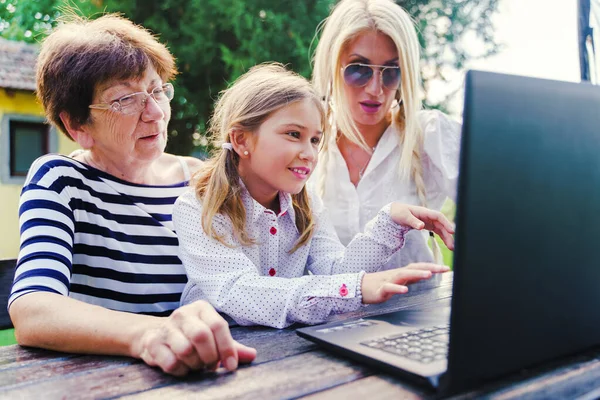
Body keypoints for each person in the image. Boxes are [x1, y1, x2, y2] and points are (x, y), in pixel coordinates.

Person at [7, 14, 256, 376]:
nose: (155, 113)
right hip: (106, 381)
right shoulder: (61, 181)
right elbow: (33, 309)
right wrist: (149, 335)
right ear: (77, 126)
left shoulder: (201, 181)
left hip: (208, 371)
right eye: (125, 99)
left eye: (157, 90)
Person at [174, 63, 454, 330]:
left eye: (315, 140)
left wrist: (390, 222)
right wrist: (355, 289)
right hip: (217, 354)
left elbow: (334, 271)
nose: (309, 153)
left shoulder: (305, 205)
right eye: (294, 134)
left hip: (289, 353)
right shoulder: (198, 208)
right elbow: (237, 291)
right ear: (241, 140)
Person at [310, 0, 461, 268]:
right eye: (359, 69)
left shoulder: (431, 135)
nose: (375, 89)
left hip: (415, 308)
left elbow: (500, 209)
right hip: (330, 309)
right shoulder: (305, 144)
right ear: (332, 65)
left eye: (392, 72)